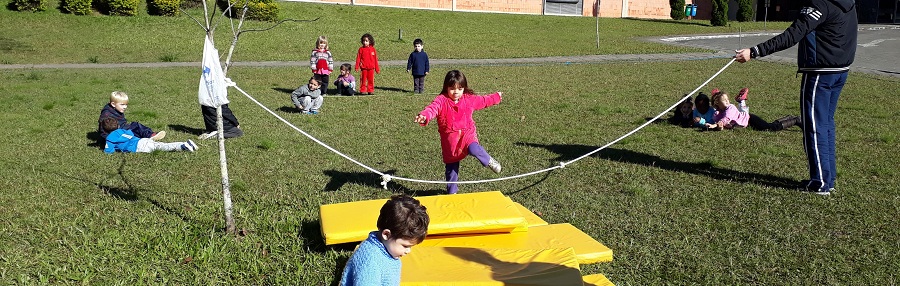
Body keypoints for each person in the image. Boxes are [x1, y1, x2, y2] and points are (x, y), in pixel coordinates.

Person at [734, 0, 856, 195]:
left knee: (814, 127)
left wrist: (754, 52)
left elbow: (792, 35)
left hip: (820, 73)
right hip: (839, 70)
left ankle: (820, 183)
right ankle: (827, 179)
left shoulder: (818, 5)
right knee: (825, 124)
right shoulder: (846, 2)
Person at [414, 70, 503, 194]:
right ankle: (452, 192)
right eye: (452, 88)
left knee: (474, 148)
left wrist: (496, 97)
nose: (456, 92)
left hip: (467, 134)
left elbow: (483, 100)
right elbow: (432, 108)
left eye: (460, 89)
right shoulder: (441, 100)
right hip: (450, 142)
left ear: (464, 88)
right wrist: (424, 116)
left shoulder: (468, 99)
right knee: (451, 169)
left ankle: (489, 161)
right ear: (446, 87)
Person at [340, 194, 430, 286]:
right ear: (386, 234)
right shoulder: (369, 262)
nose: (408, 251)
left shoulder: (388, 249)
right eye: (405, 246)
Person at [705, 90, 800, 132]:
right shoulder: (718, 113)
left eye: (727, 99)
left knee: (770, 128)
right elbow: (717, 121)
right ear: (717, 103)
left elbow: (726, 118)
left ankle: (795, 120)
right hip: (748, 123)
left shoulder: (731, 108)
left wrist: (716, 125)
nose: (728, 101)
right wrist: (710, 124)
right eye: (724, 100)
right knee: (770, 126)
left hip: (750, 120)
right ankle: (789, 117)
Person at [98, 91, 165, 143]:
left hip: (122, 130)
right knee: (135, 126)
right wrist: (109, 140)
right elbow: (103, 131)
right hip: (116, 135)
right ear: (113, 104)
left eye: (126, 104)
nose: (125, 107)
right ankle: (149, 136)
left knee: (136, 127)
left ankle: (149, 135)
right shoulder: (106, 115)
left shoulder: (116, 110)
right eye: (122, 104)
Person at [101, 118, 197, 154]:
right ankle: (186, 145)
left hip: (138, 147)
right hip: (140, 141)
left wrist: (114, 150)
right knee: (160, 145)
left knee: (163, 147)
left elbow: (108, 151)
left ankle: (183, 146)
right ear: (118, 125)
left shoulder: (109, 139)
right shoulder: (122, 130)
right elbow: (130, 134)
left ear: (105, 131)